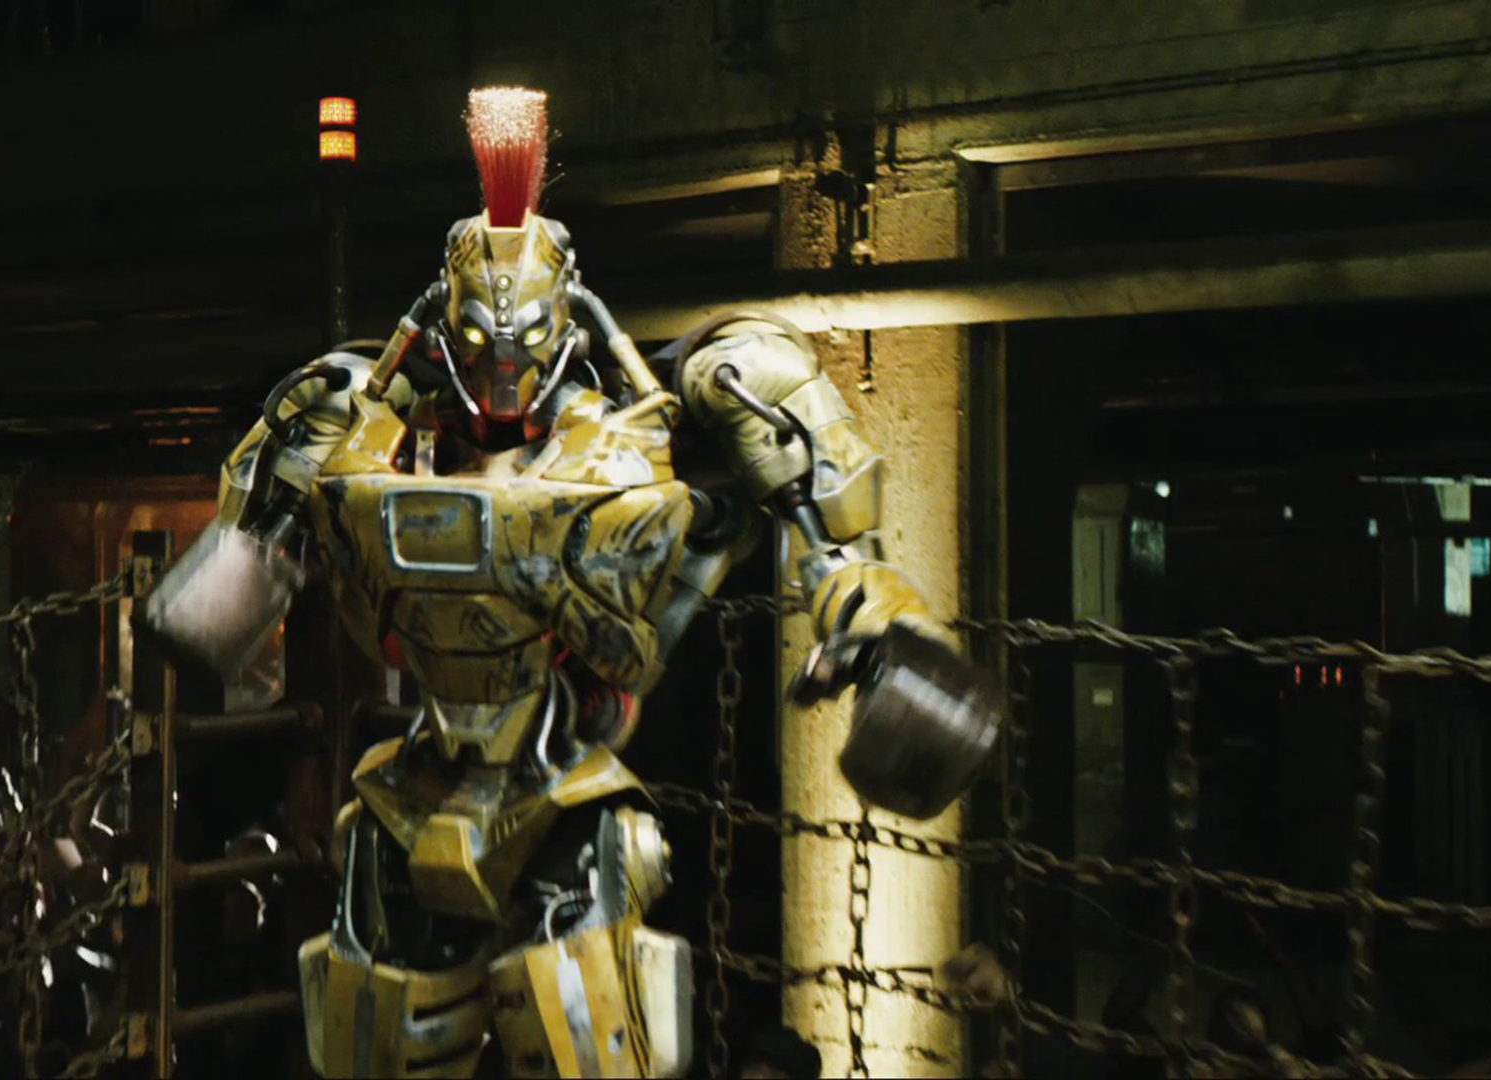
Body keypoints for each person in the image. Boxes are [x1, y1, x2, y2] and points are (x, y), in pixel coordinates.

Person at [144, 85, 998, 1079]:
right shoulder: (352, 415)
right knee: (376, 1041)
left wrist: (869, 620)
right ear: (446, 328)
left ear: (564, 326)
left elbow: (825, 515)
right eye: (480, 350)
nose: (503, 377)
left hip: (563, 792)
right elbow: (215, 610)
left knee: (579, 1039)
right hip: (414, 786)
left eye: (523, 349)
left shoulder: (641, 432)